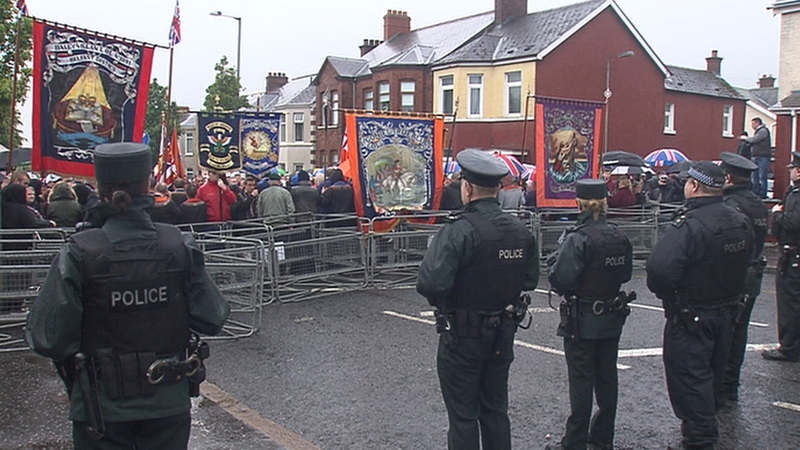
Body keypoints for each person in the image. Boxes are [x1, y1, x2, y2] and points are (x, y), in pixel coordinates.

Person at [26, 142, 230, 449]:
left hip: (102, 405)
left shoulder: (80, 252)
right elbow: (212, 317)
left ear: (100, 188)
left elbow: (49, 337)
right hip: (166, 403)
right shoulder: (179, 245)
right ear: (147, 185)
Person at [416, 149, 539, 450]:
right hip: (503, 333)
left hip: (463, 336)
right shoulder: (520, 230)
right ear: (497, 189)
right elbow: (530, 280)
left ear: (467, 189)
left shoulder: (459, 230)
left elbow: (430, 282)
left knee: (463, 416)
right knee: (495, 411)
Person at [646, 161, 753, 450]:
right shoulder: (738, 219)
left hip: (691, 317)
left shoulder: (691, 225)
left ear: (693, 186)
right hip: (725, 315)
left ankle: (699, 441)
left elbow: (659, 271)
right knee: (710, 380)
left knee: (690, 384)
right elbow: (749, 257)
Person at [546, 179, 634, 450]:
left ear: (579, 203)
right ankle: (602, 438)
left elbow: (561, 279)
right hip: (612, 317)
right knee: (607, 380)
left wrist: (554, 263)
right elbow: (627, 274)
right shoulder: (619, 235)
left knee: (582, 383)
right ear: (605, 202)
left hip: (583, 320)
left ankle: (574, 443)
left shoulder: (578, 237)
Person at [716, 152, 769, 403]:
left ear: (728, 177)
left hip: (733, 275)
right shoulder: (757, 203)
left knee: (724, 334)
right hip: (753, 274)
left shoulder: (729, 206)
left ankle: (721, 389)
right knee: (739, 333)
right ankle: (730, 386)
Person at [763, 151, 800, 362]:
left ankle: (789, 347)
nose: (791, 172)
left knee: (790, 303)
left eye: (793, 169)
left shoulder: (797, 194)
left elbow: (792, 223)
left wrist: (776, 214)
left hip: (793, 254)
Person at [740, 117, 771, 199]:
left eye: (753, 123)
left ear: (758, 123)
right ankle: (755, 192)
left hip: (762, 156)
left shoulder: (763, 131)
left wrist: (745, 138)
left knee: (762, 176)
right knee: (755, 175)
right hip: (756, 156)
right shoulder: (759, 131)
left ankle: (762, 193)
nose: (752, 125)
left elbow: (754, 140)